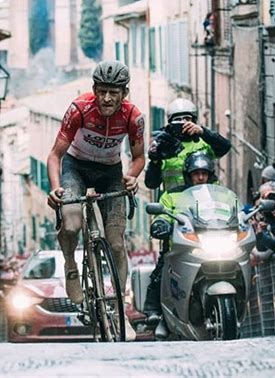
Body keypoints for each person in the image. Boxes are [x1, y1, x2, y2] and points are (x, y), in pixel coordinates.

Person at [47, 60, 145, 341]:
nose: (107, 98)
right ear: (94, 89)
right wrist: (56, 189)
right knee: (71, 221)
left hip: (110, 172)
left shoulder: (133, 116)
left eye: (114, 92)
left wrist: (132, 176)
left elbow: (138, 158)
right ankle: (70, 265)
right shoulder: (79, 109)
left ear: (124, 93)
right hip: (75, 168)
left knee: (115, 241)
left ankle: (120, 309)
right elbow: (55, 155)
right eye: (102, 91)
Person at [144, 151, 218, 339]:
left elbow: (235, 210)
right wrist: (161, 223)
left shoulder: (219, 196)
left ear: (210, 174)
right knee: (161, 271)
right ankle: (156, 311)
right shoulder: (172, 195)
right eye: (196, 173)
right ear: (188, 175)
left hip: (212, 246)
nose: (201, 177)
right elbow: (162, 213)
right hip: (181, 248)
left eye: (204, 173)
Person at [145, 98, 231, 192]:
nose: (183, 123)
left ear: (194, 120)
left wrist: (203, 132)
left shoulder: (205, 142)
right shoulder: (165, 147)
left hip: (206, 199)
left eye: (187, 118)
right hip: (174, 203)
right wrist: (155, 161)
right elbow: (151, 183)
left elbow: (225, 146)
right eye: (178, 120)